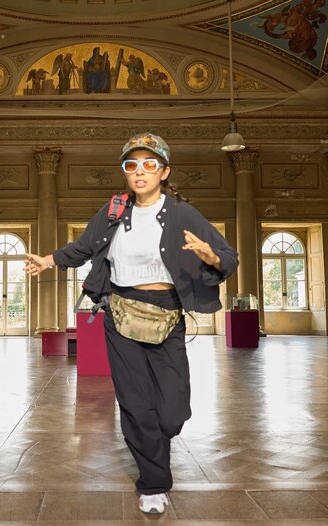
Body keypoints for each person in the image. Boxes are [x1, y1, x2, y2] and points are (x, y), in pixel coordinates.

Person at [25, 133, 238, 514]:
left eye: (149, 165)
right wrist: (48, 260)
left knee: (171, 410)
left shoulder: (182, 213)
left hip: (166, 313)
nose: (140, 172)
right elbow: (83, 248)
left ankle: (161, 435)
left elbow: (228, 257)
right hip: (121, 312)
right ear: (125, 172)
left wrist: (210, 256)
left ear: (164, 171)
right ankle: (153, 483)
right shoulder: (114, 210)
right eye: (132, 165)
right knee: (136, 404)